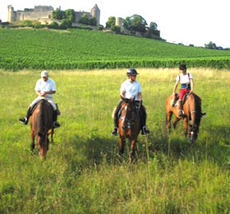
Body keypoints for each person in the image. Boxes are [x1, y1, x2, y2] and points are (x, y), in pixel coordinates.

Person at [111, 68, 150, 135]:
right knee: (117, 112)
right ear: (129, 76)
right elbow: (122, 93)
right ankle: (115, 128)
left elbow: (139, 94)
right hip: (125, 101)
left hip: (135, 101)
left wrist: (140, 101)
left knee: (143, 112)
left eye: (135, 75)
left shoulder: (137, 84)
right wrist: (125, 99)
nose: (135, 77)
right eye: (134, 75)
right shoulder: (124, 84)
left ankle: (143, 128)